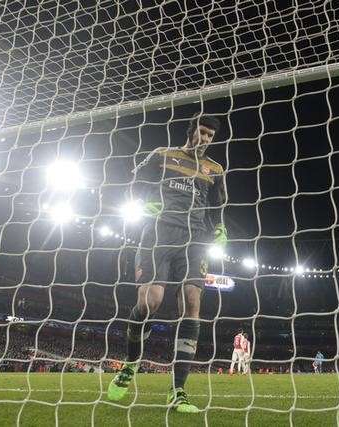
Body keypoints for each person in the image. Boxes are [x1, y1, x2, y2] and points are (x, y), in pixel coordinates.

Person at [107, 115, 225, 413]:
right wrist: (143, 203)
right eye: (202, 132)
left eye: (211, 135)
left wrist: (221, 228)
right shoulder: (162, 155)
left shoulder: (215, 169)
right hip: (159, 233)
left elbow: (219, 205)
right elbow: (131, 181)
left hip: (196, 239)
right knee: (151, 302)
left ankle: (178, 390)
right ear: (191, 130)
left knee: (193, 302)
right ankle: (130, 365)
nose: (206, 138)